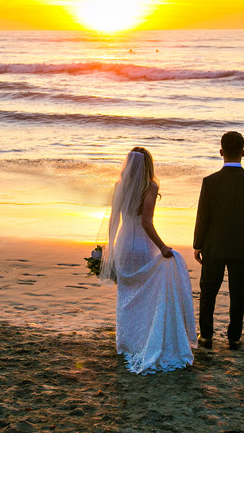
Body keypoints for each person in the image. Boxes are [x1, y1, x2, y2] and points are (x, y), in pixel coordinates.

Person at [99, 147, 197, 374]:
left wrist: (110, 250)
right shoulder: (150, 187)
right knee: (145, 296)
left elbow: (114, 220)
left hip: (124, 245)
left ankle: (126, 344)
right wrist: (162, 246)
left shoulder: (118, 187)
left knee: (126, 295)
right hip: (143, 246)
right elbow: (146, 222)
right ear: (148, 166)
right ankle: (144, 340)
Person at [193, 132, 244, 350]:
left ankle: (206, 336)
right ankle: (234, 338)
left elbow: (203, 217)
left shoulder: (210, 182)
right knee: (238, 293)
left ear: (220, 152)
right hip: (243, 247)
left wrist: (197, 244)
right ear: (243, 153)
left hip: (213, 246)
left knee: (208, 291)